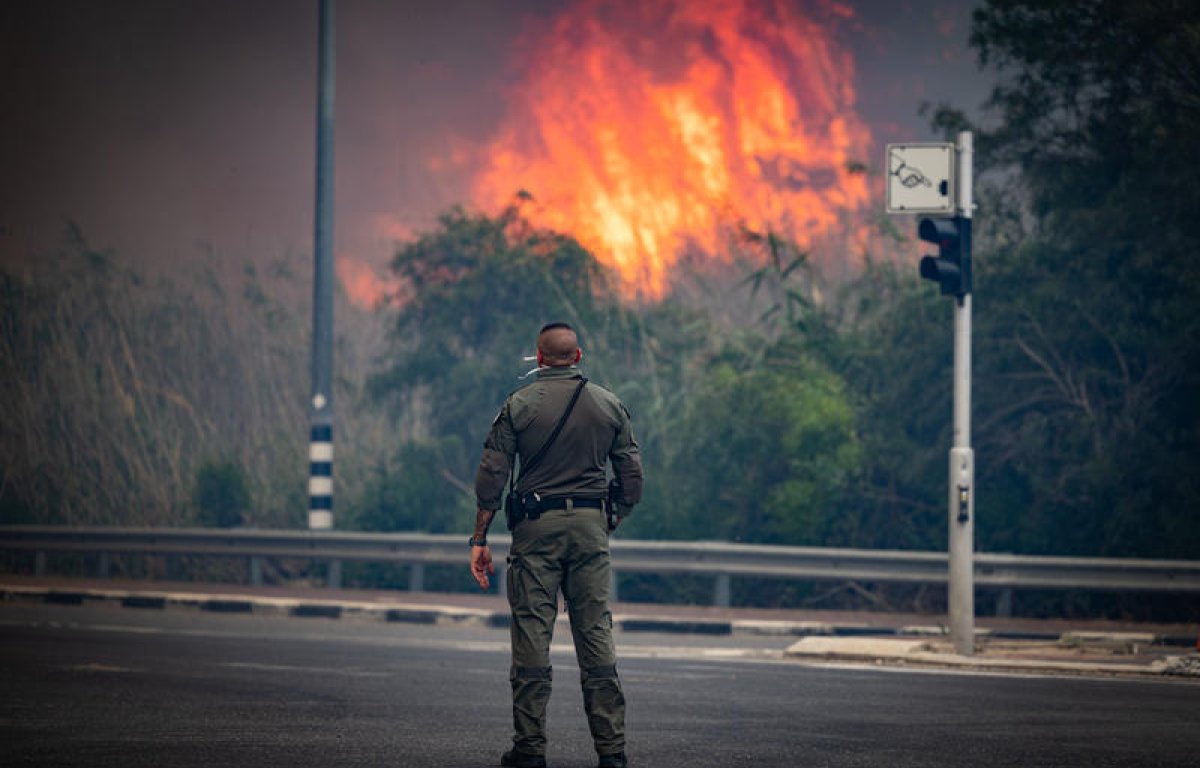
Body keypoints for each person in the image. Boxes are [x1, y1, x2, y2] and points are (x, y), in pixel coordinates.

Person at [471, 322, 643, 768]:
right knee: (595, 632)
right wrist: (612, 516)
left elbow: (492, 475)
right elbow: (631, 476)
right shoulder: (609, 404)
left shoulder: (519, 404)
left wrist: (480, 538)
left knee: (531, 633)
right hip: (590, 528)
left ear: (540, 358)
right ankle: (612, 752)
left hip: (536, 529)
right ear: (579, 356)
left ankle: (529, 750)